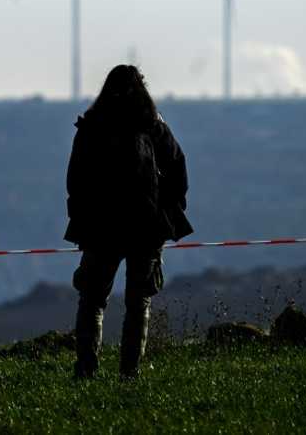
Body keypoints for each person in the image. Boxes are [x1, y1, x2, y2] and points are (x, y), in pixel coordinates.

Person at [64, 64, 193, 379]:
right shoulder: (153, 126)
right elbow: (178, 169)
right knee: (139, 302)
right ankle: (129, 372)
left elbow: (75, 181)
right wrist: (169, 212)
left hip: (101, 229)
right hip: (146, 228)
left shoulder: (92, 126)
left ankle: (86, 369)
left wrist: (81, 221)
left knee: (92, 300)